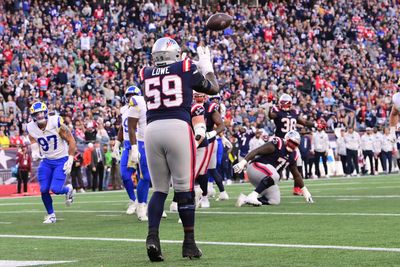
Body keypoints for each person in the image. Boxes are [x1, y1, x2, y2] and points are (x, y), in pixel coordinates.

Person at [141, 38, 219, 261]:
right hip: (178, 127)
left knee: (159, 189)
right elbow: (213, 89)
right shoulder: (184, 66)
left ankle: (153, 237)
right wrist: (207, 66)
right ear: (175, 53)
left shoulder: (145, 72)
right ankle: (189, 244)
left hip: (152, 129)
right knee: (184, 189)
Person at [233, 131, 313, 207]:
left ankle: (245, 200)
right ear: (286, 139)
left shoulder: (293, 155)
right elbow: (256, 151)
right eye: (291, 142)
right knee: (275, 175)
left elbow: (296, 175)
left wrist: (305, 191)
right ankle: (253, 195)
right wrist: (242, 163)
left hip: (266, 177)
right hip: (255, 168)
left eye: (295, 144)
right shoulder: (278, 144)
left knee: (274, 200)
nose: (292, 145)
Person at [27, 102, 76, 224]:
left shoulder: (56, 122)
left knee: (55, 189)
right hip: (47, 160)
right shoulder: (31, 127)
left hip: (61, 159)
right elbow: (32, 138)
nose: (39, 115)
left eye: (41, 112)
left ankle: (68, 189)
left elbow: (71, 140)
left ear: (46, 112)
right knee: (43, 189)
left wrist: (70, 159)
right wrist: (34, 150)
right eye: (36, 114)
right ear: (33, 115)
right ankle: (51, 215)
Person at [269, 94, 317, 194]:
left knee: (298, 165)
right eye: (283, 103)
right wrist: (270, 105)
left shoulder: (294, 112)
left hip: (292, 144)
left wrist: (315, 124)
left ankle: (297, 188)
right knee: (278, 167)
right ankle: (270, 187)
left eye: (287, 103)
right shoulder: (277, 112)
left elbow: (304, 122)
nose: (285, 106)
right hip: (281, 143)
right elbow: (271, 116)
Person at [113, 87, 141, 215]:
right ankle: (133, 200)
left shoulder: (143, 108)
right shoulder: (124, 110)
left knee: (146, 176)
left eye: (133, 95)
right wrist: (117, 144)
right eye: (128, 95)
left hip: (141, 144)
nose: (130, 98)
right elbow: (122, 129)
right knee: (124, 175)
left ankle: (148, 204)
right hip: (128, 146)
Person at [127, 85, 152, 221]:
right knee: (146, 176)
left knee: (163, 176)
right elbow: (131, 127)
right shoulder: (138, 102)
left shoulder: (163, 101)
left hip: (159, 139)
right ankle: (141, 205)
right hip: (144, 142)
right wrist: (134, 147)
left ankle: (156, 204)